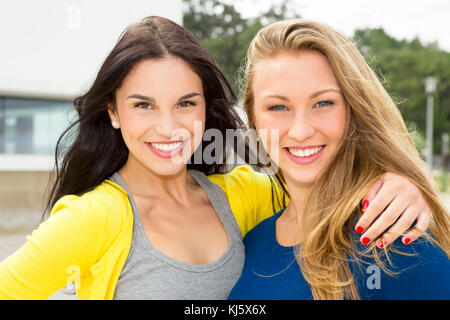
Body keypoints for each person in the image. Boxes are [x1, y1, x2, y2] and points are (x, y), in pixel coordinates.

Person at [0, 17, 434, 300]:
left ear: (206, 108)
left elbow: (316, 191)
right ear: (113, 112)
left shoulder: (244, 197)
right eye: (143, 105)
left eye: (185, 103)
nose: (169, 128)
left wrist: (396, 182)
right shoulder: (94, 217)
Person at [228, 19, 450, 300]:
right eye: (278, 107)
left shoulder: (391, 238)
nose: (301, 131)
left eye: (323, 103)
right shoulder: (253, 240)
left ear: (353, 109)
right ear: (253, 119)